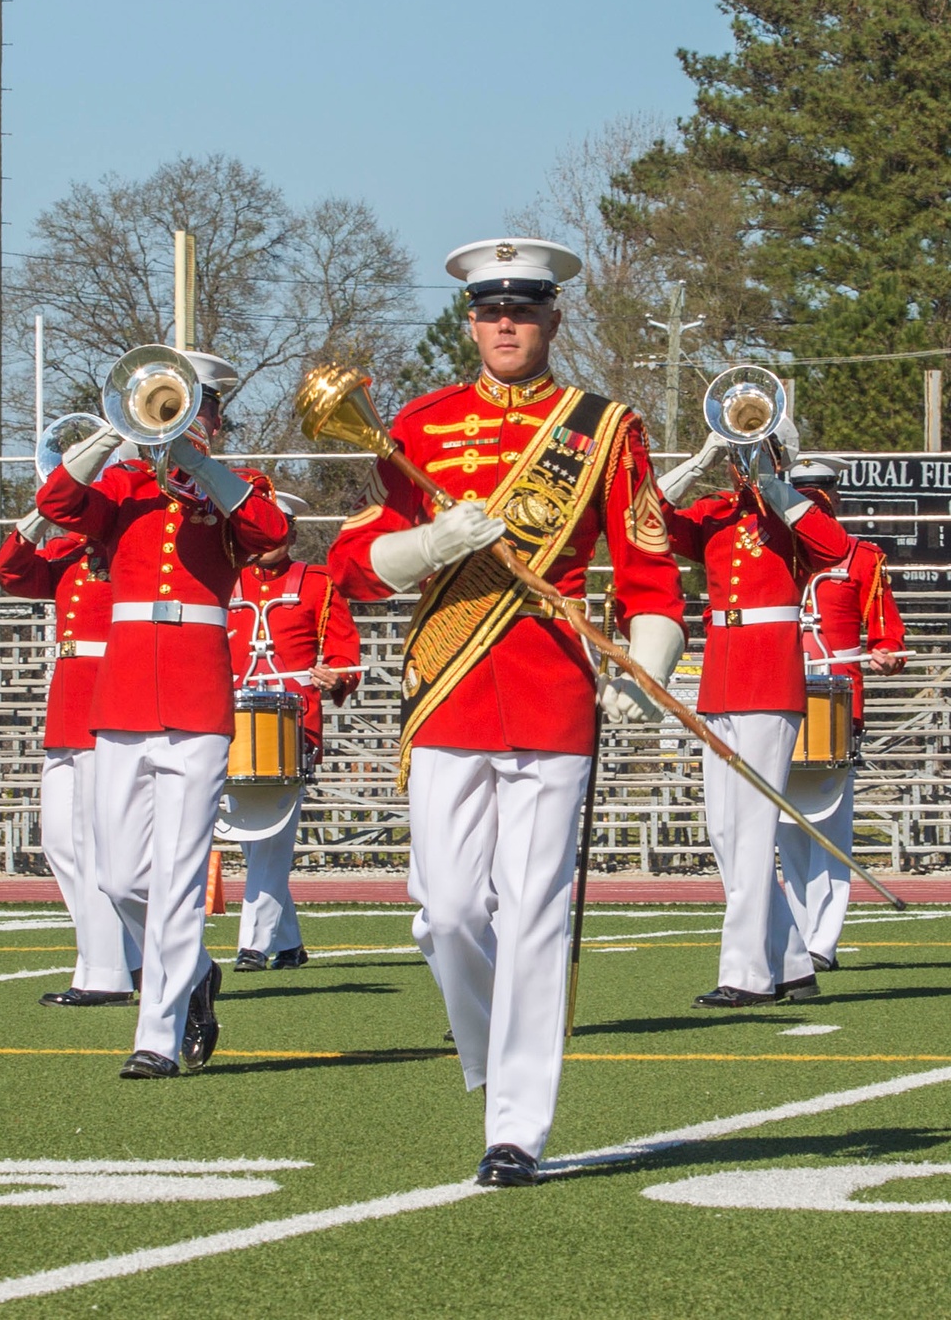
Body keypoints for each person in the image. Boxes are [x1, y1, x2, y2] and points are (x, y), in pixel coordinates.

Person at [328, 238, 686, 1186]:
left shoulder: (603, 428)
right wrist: (429, 541)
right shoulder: (417, 424)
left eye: (523, 310)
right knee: (445, 914)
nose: (505, 325)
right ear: (471, 320)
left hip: (553, 688)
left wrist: (644, 673)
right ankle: (490, 1060)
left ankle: (516, 1125)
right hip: (445, 685)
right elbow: (355, 567)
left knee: (533, 913)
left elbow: (651, 576)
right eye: (491, 311)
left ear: (552, 319)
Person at [37, 349, 289, 1079]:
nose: (186, 418)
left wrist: (203, 469)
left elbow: (272, 534)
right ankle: (197, 970)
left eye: (196, 406)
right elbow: (56, 504)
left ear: (213, 416)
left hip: (197, 693)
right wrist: (117, 436)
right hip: (121, 694)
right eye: (173, 403)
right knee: (118, 877)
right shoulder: (120, 485)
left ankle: (157, 1034)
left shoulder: (235, 489)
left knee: (178, 873)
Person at [657, 421, 851, 1009]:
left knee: (753, 830)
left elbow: (835, 548)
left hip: (770, 671)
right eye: (739, 452)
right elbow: (648, 522)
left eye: (752, 447)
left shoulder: (792, 511)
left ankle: (747, 974)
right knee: (723, 829)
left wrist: (776, 478)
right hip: (720, 672)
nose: (742, 460)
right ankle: (792, 963)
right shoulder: (716, 510)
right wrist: (701, 456)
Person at [0, 508, 140, 1006]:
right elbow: (12, 572)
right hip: (67, 703)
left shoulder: (126, 553)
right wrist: (37, 518)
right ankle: (127, 954)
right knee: (60, 841)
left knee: (94, 842)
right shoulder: (66, 553)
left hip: (109, 696)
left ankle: (106, 973)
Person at [776, 453, 907, 971]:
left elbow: (887, 633)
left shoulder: (862, 558)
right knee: (786, 828)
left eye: (821, 491)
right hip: (775, 697)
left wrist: (888, 654)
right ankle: (793, 936)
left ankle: (820, 942)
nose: (813, 499)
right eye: (803, 491)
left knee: (828, 825)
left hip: (834, 703)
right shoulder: (772, 553)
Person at [227, 491, 361, 972]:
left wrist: (337, 675)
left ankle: (252, 944)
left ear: (290, 532)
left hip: (290, 722)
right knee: (254, 840)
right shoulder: (223, 580)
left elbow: (346, 654)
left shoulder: (320, 584)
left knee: (270, 838)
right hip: (232, 721)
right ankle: (289, 944)